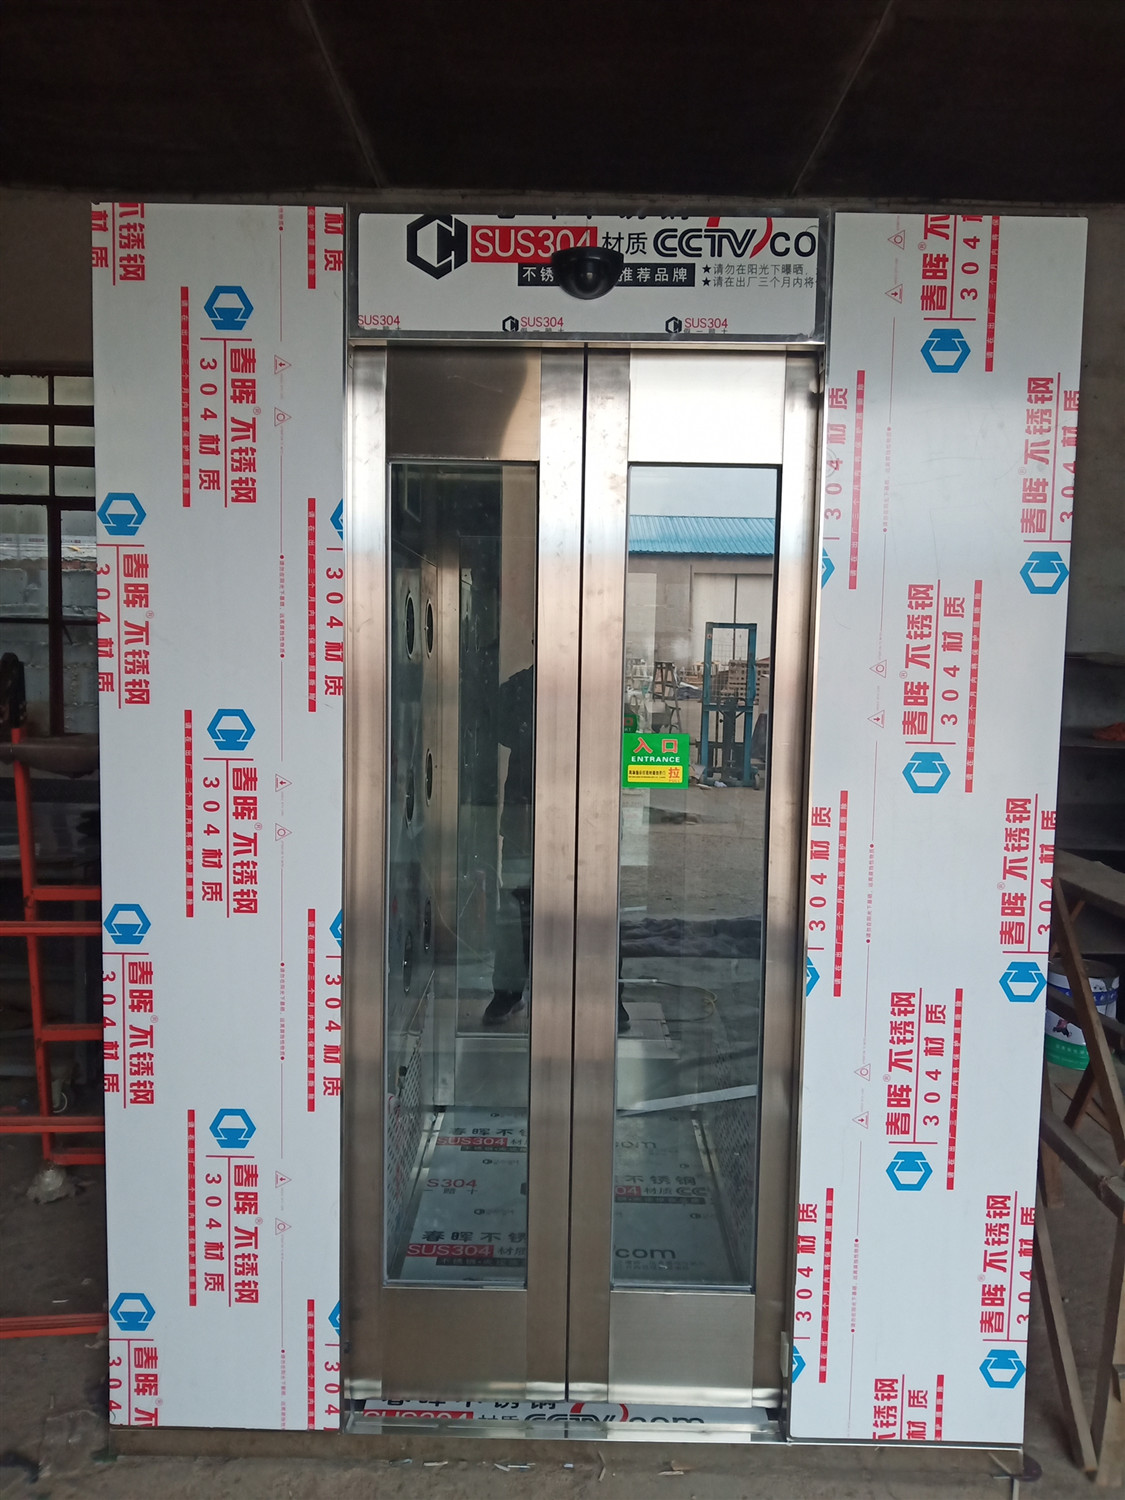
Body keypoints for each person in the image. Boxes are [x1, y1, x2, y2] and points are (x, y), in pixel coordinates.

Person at [482, 665, 629, 1033]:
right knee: (517, 905)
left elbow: (623, 731)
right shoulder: (519, 688)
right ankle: (508, 991)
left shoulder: (602, 681)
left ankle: (607, 993)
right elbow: (495, 726)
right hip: (526, 816)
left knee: (596, 902)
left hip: (591, 818)